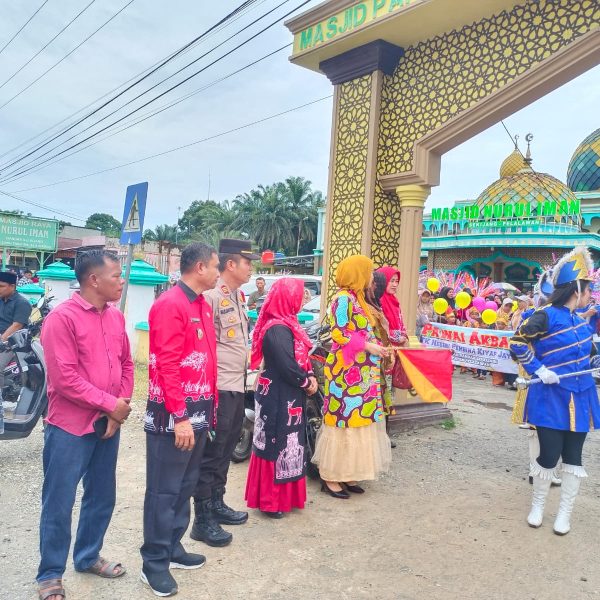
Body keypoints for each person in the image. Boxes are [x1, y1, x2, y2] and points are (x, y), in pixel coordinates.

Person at [36, 251, 133, 600]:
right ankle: (50, 574)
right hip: (70, 428)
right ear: (94, 280)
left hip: (108, 425)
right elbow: (64, 379)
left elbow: (126, 364)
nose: (122, 281)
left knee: (101, 496)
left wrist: (116, 410)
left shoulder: (116, 317)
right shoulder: (62, 319)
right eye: (116, 276)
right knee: (59, 502)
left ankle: (88, 555)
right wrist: (109, 405)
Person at [140, 242, 220, 597]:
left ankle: (172, 547)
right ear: (200, 267)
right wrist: (181, 416)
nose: (219, 273)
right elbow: (167, 364)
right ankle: (153, 562)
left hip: (198, 414)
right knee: (163, 489)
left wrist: (206, 411)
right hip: (174, 416)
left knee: (185, 485)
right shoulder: (170, 305)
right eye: (216, 266)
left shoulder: (200, 304)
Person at [510, 247, 600, 535]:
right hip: (549, 396)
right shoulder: (545, 315)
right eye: (588, 288)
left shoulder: (581, 322)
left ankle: (564, 515)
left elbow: (590, 357)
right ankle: (538, 506)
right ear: (576, 288)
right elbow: (517, 343)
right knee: (549, 455)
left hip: (582, 395)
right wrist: (539, 369)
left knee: (574, 457)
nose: (591, 294)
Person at [191, 239, 259, 547]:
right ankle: (202, 520)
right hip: (218, 386)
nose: (251, 268)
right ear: (231, 265)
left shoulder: (238, 296)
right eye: (247, 262)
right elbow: (203, 345)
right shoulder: (211, 297)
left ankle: (216, 504)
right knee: (212, 453)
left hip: (236, 384)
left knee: (227, 449)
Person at [312, 255, 392, 498]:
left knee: (358, 422)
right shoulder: (342, 299)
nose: (372, 279)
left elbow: (363, 332)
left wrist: (380, 347)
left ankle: (347, 474)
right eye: (368, 273)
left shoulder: (358, 299)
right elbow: (338, 334)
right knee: (343, 421)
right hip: (346, 374)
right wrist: (368, 347)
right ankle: (330, 476)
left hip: (362, 374)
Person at [245, 278, 317, 517]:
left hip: (288, 393)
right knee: (275, 443)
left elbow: (300, 359)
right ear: (288, 299)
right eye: (298, 295)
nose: (301, 300)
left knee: (290, 443)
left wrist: (307, 375)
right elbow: (286, 365)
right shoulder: (277, 328)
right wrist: (306, 382)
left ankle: (287, 498)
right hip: (277, 395)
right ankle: (270, 501)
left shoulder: (289, 324)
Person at [0, 271, 33, 435]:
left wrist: (1, 340)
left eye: (1, 286)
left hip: (14, 342)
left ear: (12, 286)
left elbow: (17, 326)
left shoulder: (22, 303)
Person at [376, 266, 408, 346]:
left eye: (397, 281)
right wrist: (397, 337)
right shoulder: (378, 300)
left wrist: (403, 334)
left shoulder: (394, 299)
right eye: (392, 281)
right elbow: (380, 326)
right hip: (385, 345)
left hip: (399, 345)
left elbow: (400, 320)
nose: (395, 284)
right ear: (383, 281)